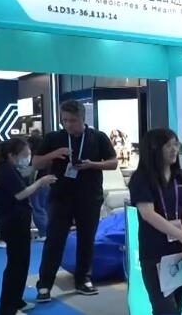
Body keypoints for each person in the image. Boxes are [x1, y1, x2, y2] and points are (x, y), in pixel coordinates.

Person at [34, 100, 118, 302]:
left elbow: (113, 162)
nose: (68, 124)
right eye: (65, 120)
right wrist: (54, 154)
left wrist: (92, 165)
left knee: (87, 239)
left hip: (89, 196)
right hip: (60, 196)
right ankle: (45, 284)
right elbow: (36, 162)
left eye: (73, 120)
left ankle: (83, 279)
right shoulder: (53, 137)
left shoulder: (98, 137)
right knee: (54, 240)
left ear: (83, 118)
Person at [128, 129, 182, 315]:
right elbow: (148, 214)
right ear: (154, 149)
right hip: (155, 252)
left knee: (178, 306)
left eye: (176, 144)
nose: (174, 149)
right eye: (168, 146)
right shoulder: (141, 178)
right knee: (164, 308)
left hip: (181, 251)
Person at [0, 138, 57, 315]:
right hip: (13, 222)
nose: (27, 158)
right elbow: (20, 194)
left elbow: (25, 176)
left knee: (21, 264)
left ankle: (16, 300)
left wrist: (37, 167)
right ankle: (8, 308)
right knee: (16, 266)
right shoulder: (5, 170)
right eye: (24, 155)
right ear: (12, 155)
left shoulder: (9, 169)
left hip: (16, 221)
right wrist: (40, 182)